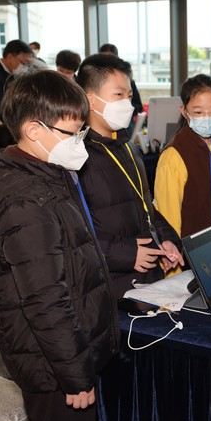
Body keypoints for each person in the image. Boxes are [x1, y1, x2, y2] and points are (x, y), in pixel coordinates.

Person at [0, 70, 119, 421]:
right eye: (71, 134)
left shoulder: (46, 173)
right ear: (34, 130)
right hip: (52, 365)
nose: (80, 143)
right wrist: (75, 374)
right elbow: (45, 299)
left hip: (62, 352)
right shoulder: (27, 201)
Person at [76, 54, 183, 298]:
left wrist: (165, 241)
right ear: (91, 100)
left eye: (129, 96)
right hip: (110, 284)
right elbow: (75, 235)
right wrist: (127, 254)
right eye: (118, 95)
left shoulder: (128, 147)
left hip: (146, 277)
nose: (128, 103)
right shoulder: (76, 156)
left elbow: (146, 209)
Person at [155, 74, 211, 243]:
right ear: (184, 111)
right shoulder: (174, 154)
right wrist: (175, 259)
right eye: (198, 112)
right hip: (190, 251)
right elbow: (167, 214)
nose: (206, 118)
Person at [0, 39, 35, 122]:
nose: (26, 68)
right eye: (24, 63)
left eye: (28, 65)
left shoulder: (11, 73)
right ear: (10, 57)